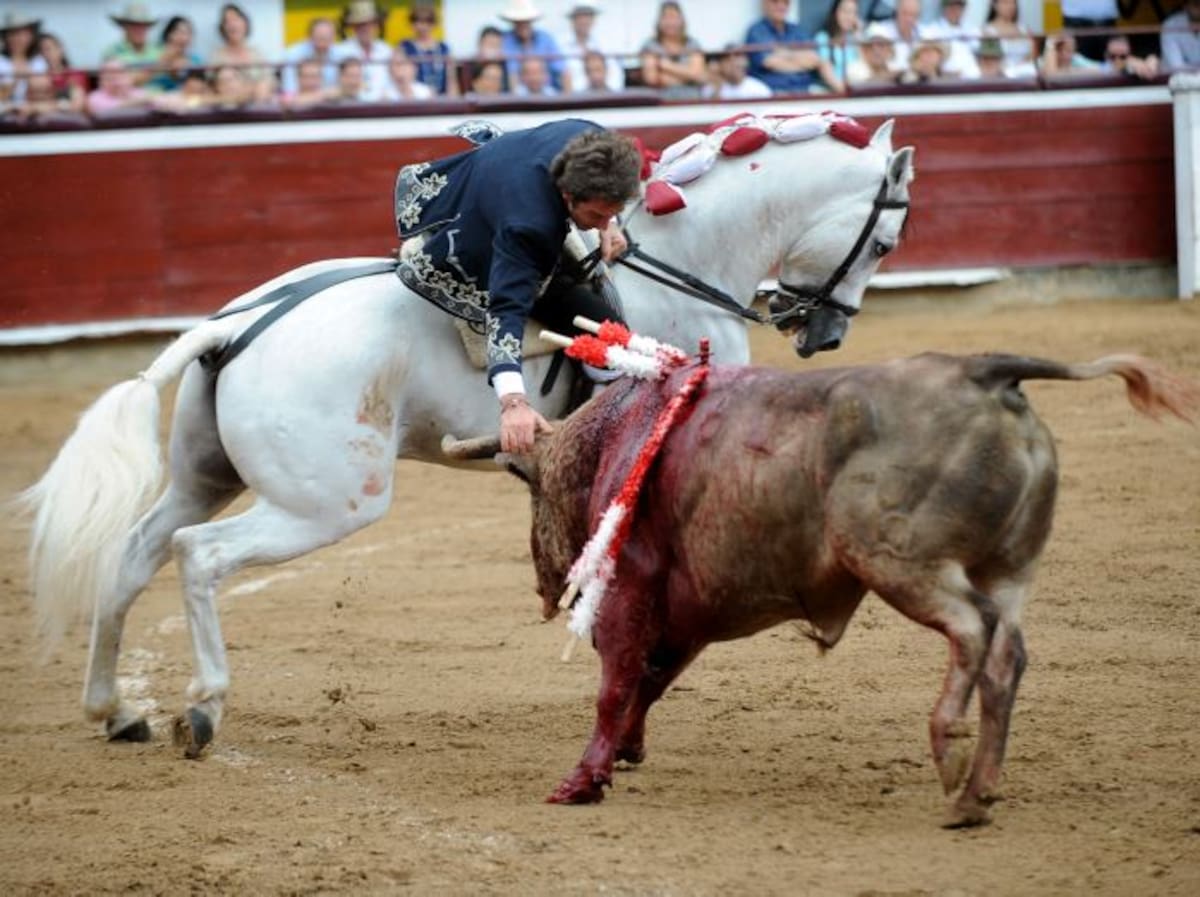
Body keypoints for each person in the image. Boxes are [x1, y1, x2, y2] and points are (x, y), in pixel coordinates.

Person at [393, 120, 642, 453]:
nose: (600, 223)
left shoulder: (596, 141)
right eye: (596, 214)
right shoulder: (530, 226)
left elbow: (603, 202)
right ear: (568, 194)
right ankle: (595, 430)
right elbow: (507, 309)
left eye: (611, 213)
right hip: (476, 237)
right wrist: (513, 403)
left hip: (475, 178)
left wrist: (608, 225)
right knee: (609, 336)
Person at [745, 0, 837, 94]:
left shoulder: (797, 30)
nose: (781, 6)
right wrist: (798, 58)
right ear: (764, 3)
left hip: (806, 89)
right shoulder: (757, 31)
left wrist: (782, 53)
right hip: (774, 93)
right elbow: (769, 62)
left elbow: (813, 59)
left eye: (786, 2)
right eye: (775, 1)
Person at [209, 3, 276, 103]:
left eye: (236, 19)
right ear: (223, 28)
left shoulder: (258, 54)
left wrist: (262, 88)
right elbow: (212, 88)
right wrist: (247, 91)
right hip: (229, 110)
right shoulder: (216, 56)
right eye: (227, 22)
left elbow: (270, 81)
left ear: (245, 23)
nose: (232, 25)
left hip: (257, 108)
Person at [500, 0, 570, 93]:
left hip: (548, 90)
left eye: (526, 21)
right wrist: (517, 101)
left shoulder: (545, 38)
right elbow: (512, 74)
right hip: (520, 92)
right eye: (519, 22)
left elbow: (563, 70)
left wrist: (568, 99)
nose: (522, 25)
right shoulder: (506, 40)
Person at [640, 1, 707, 98]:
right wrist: (688, 77)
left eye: (674, 17)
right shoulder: (650, 45)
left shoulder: (693, 44)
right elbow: (652, 78)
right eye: (666, 17)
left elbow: (698, 74)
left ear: (682, 20)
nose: (670, 22)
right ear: (659, 21)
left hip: (693, 102)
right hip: (660, 104)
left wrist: (665, 65)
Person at [561, 3, 624, 95]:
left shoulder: (606, 44)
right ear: (572, 20)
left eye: (588, 16)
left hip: (607, 97)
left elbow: (615, 74)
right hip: (575, 101)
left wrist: (611, 95)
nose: (584, 21)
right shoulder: (561, 46)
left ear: (594, 20)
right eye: (580, 16)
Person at [336, 1, 392, 102]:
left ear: (376, 25)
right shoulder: (341, 51)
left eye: (368, 24)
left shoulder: (386, 50)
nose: (365, 29)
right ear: (353, 27)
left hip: (384, 106)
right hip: (352, 105)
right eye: (359, 25)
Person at [400, 3, 455, 96]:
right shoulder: (405, 47)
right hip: (417, 101)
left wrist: (455, 105)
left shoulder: (444, 48)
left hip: (443, 101)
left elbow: (451, 81)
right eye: (418, 21)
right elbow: (404, 82)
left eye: (427, 22)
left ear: (434, 24)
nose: (423, 26)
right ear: (412, 24)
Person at [280, 17, 341, 96]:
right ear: (309, 36)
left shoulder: (341, 53)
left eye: (327, 37)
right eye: (320, 37)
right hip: (300, 102)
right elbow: (290, 90)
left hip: (333, 102)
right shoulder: (293, 54)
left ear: (334, 37)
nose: (323, 41)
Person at [103, 2, 160, 85]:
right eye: (133, 25)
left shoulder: (158, 49)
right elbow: (121, 83)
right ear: (124, 27)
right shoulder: (112, 52)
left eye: (143, 25)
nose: (139, 29)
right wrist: (160, 64)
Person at [0, 11, 47, 104]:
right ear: (6, 38)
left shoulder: (39, 61)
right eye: (13, 34)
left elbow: (42, 92)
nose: (18, 39)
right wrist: (17, 79)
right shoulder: (2, 61)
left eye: (24, 34)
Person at [926, 0, 980, 80]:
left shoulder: (973, 31)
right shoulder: (931, 32)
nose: (955, 10)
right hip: (945, 83)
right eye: (951, 6)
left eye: (959, 6)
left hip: (974, 83)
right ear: (944, 7)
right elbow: (928, 66)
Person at [814, 0, 863, 89]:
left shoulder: (854, 39)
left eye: (853, 13)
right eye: (845, 11)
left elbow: (865, 68)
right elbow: (824, 68)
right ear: (835, 13)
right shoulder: (823, 38)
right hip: (834, 92)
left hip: (856, 89)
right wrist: (846, 92)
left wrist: (858, 36)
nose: (849, 17)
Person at [983, 0, 1036, 78]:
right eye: (1005, 2)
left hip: (1026, 76)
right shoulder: (987, 32)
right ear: (994, 5)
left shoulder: (1025, 30)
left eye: (1013, 2)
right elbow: (990, 63)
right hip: (1002, 78)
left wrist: (1019, 68)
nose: (1010, 6)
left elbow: (1033, 55)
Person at [149, 15, 202, 92]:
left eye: (188, 33)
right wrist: (164, 62)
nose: (184, 38)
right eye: (179, 32)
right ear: (169, 35)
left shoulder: (195, 60)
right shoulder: (156, 55)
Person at [36, 33, 88, 112]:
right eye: (40, 51)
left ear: (60, 49)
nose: (44, 54)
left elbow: (76, 106)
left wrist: (38, 107)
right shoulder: (34, 77)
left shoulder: (74, 74)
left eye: (48, 49)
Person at [86, 58, 152, 116]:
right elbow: (106, 111)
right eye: (110, 73)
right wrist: (142, 101)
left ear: (129, 76)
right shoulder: (94, 97)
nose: (115, 77)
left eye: (120, 72)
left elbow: (159, 104)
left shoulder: (141, 93)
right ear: (101, 79)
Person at [702, 45, 773, 99]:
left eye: (737, 58)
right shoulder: (711, 88)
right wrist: (717, 89)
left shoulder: (758, 89)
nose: (734, 63)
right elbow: (711, 112)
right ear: (721, 64)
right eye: (728, 60)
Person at [875, 0, 925, 73]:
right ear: (896, 12)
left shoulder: (924, 34)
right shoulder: (881, 32)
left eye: (913, 15)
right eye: (905, 13)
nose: (909, 19)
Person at [846, 22, 899, 86]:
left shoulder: (894, 67)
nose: (876, 50)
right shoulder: (854, 68)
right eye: (870, 45)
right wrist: (890, 76)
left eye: (881, 45)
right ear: (864, 49)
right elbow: (862, 86)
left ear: (889, 49)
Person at [1161, 0, 1200, 71]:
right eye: (1196, 4)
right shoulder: (1171, 25)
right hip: (1176, 77)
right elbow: (1176, 66)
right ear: (1186, 6)